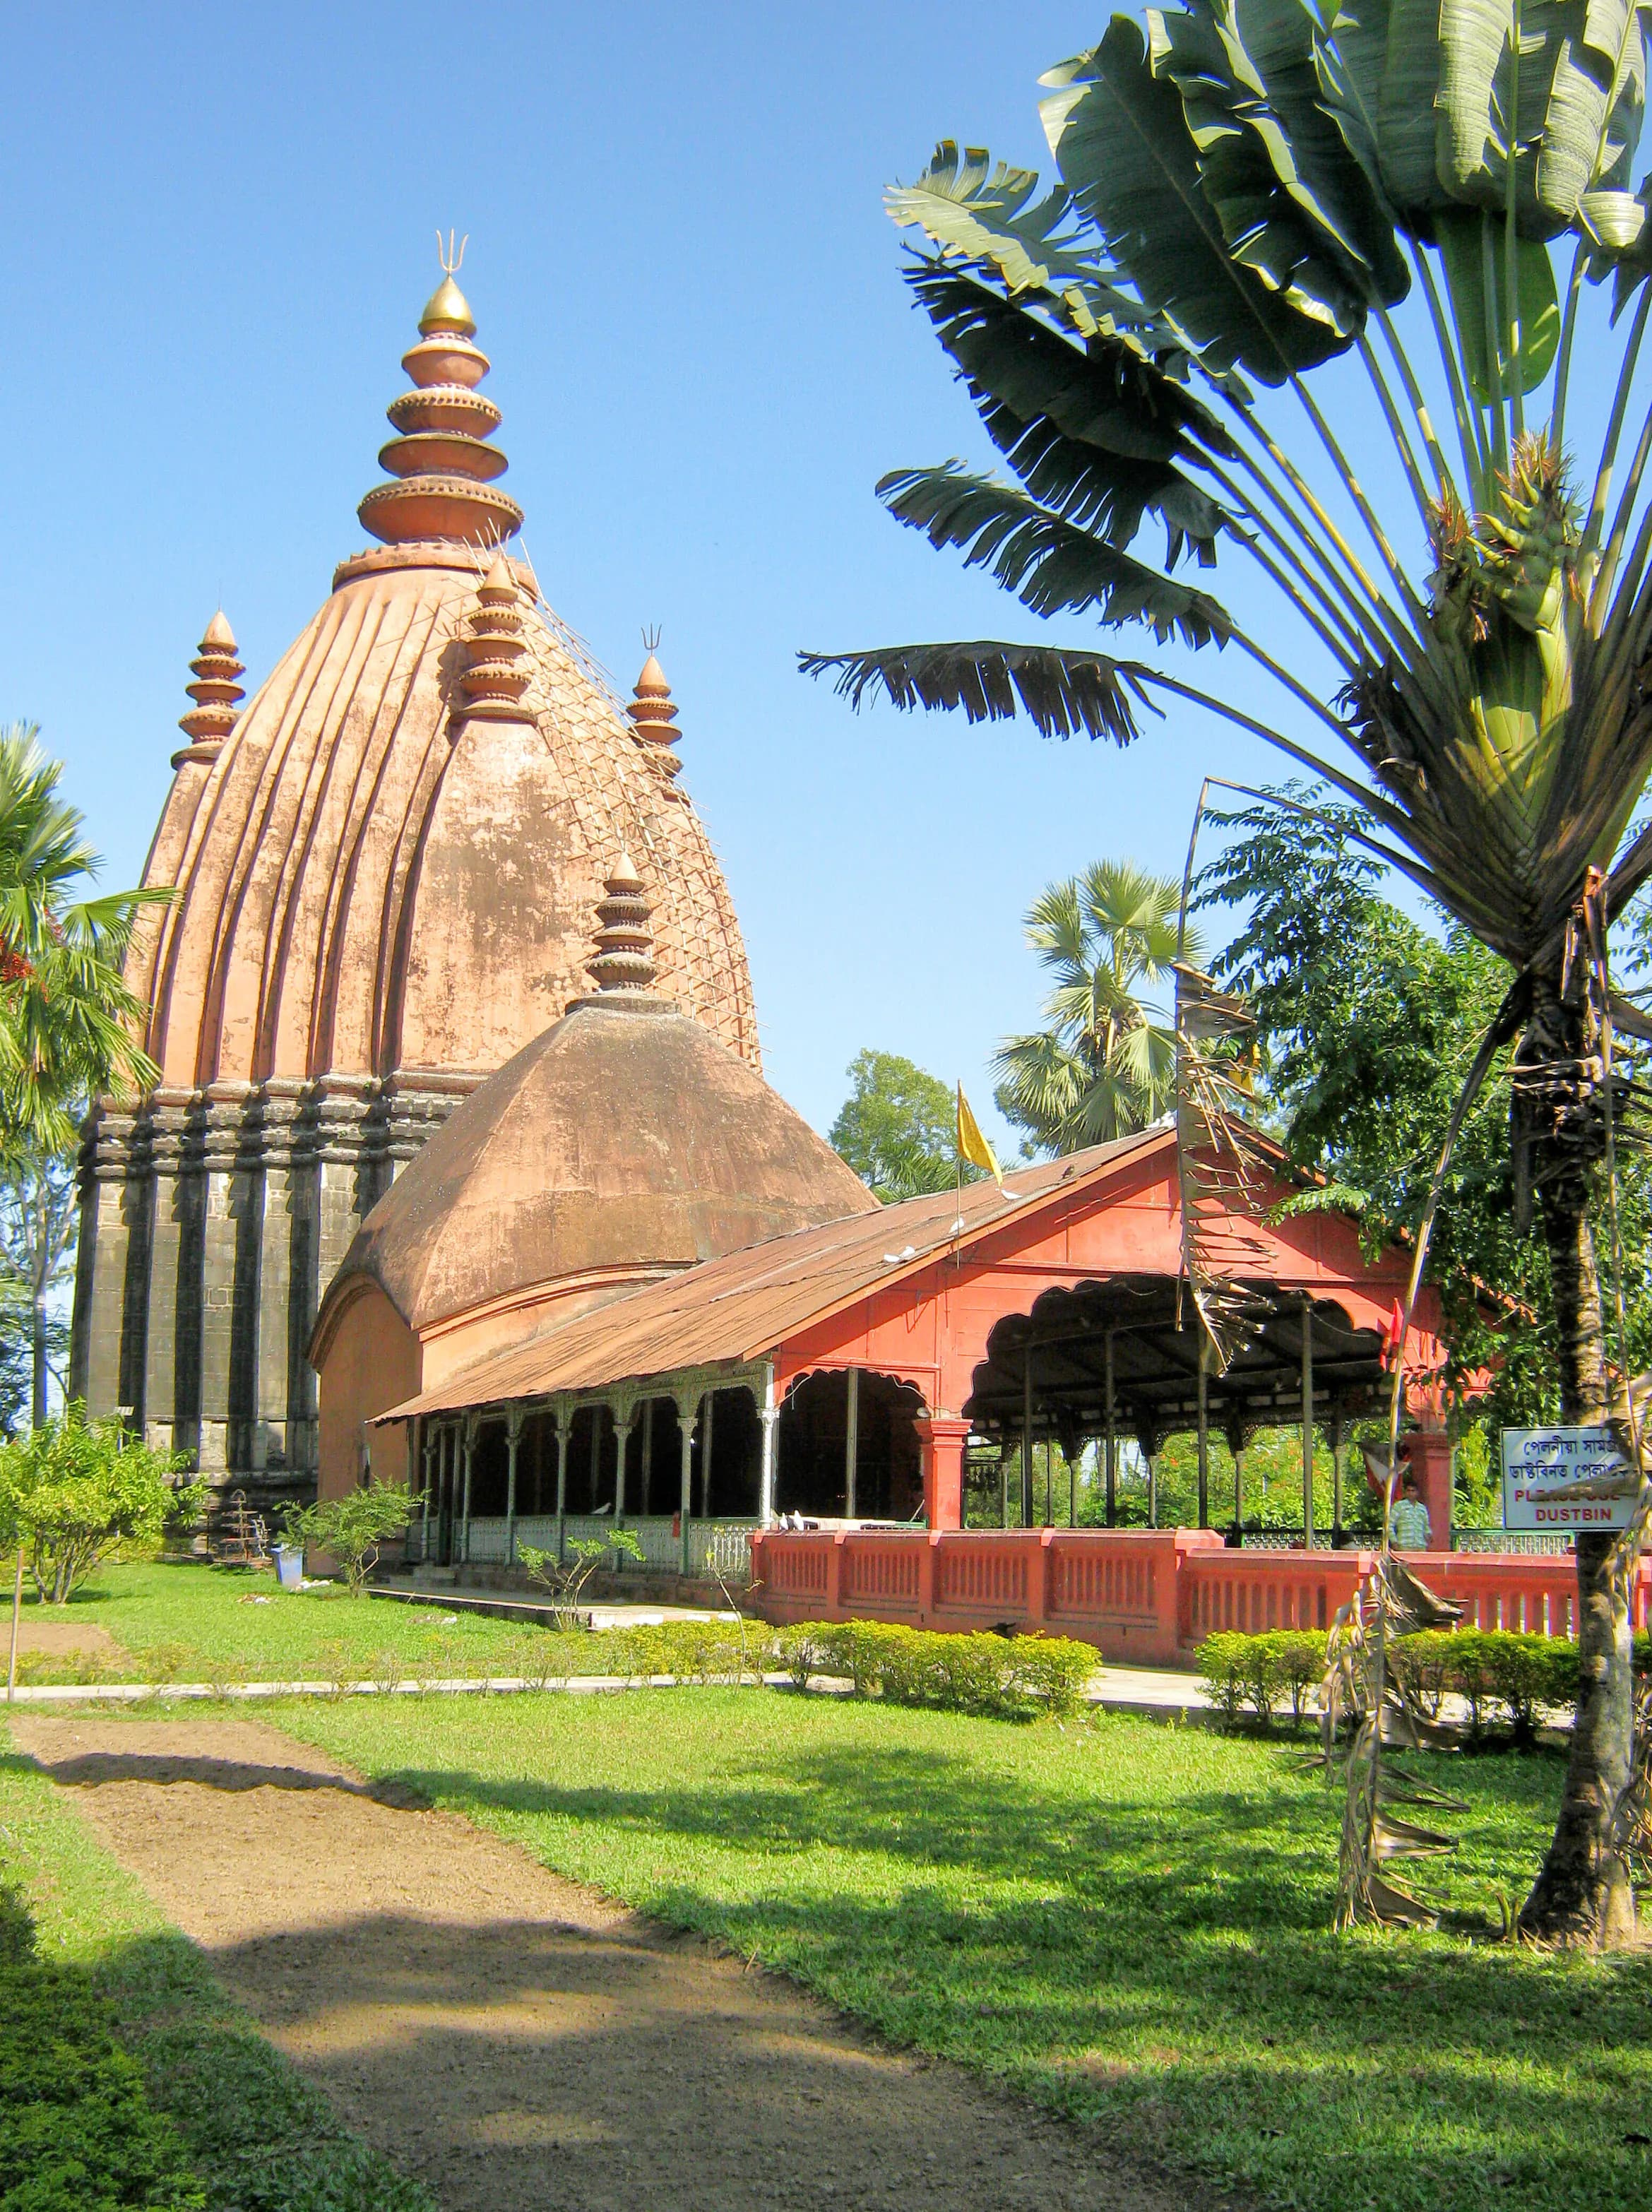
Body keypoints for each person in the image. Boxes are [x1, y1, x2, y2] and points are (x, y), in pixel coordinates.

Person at [1389, 1469, 1432, 1551]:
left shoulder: (1422, 1508)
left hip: (1420, 1546)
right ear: (1405, 1492)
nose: (1411, 1493)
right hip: (1404, 1545)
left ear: (1417, 1493)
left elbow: (1426, 1526)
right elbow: (1390, 1525)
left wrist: (1428, 1534)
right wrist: (1394, 1542)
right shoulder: (1399, 1506)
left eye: (1413, 1491)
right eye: (1408, 1491)